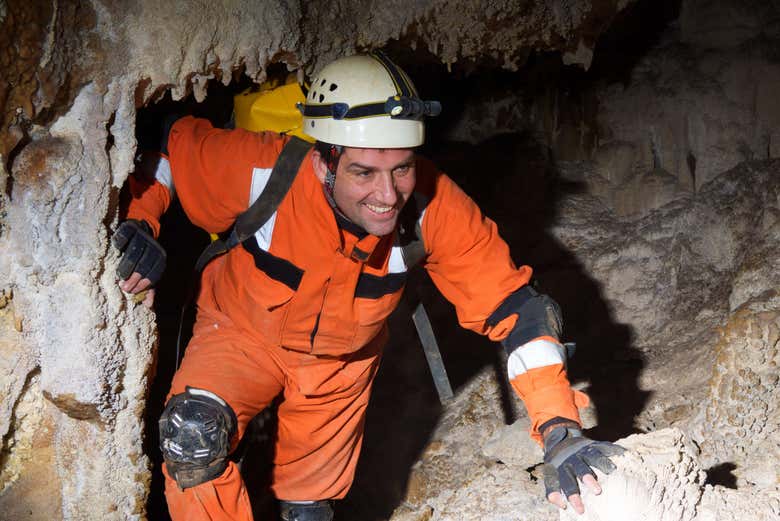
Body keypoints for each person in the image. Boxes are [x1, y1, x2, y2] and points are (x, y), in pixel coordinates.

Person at [113, 51, 623, 521]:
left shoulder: (432, 205)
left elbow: (517, 309)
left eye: (400, 168)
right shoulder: (266, 171)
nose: (386, 195)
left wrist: (559, 431)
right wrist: (142, 221)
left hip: (339, 369)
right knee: (192, 439)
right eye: (364, 172)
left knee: (309, 510)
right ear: (323, 161)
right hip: (239, 335)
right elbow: (175, 150)